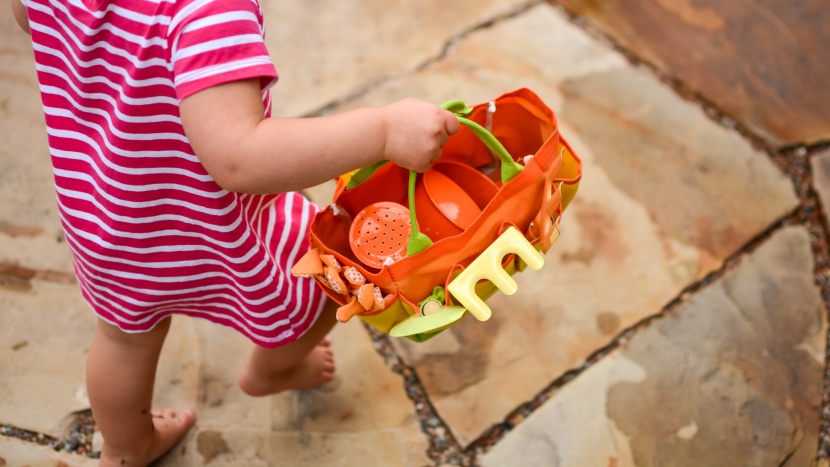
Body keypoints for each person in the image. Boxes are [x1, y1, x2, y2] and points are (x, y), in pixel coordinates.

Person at [10, 0, 459, 464]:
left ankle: (125, 449)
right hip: (206, 230)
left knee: (123, 340)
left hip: (104, 218)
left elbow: (26, 17)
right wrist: (383, 131)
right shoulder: (207, 8)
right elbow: (240, 159)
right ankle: (274, 370)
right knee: (325, 274)